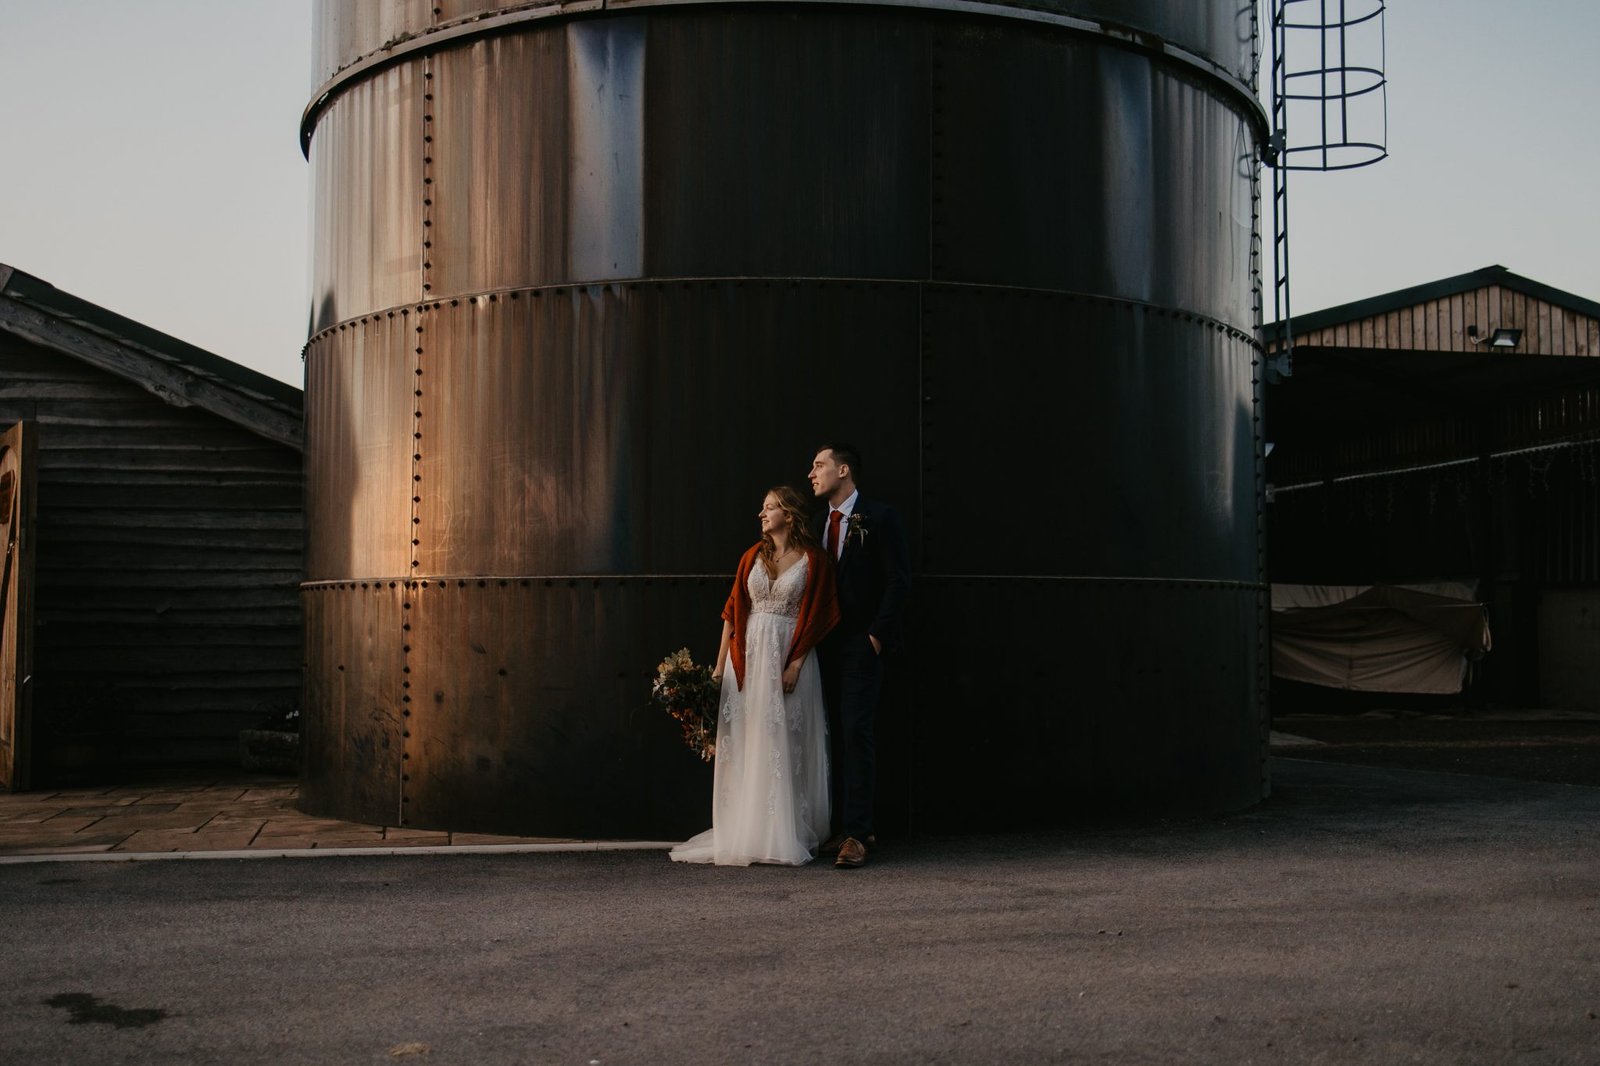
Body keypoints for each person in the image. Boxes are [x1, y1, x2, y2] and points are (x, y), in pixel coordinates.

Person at [670, 486, 840, 866]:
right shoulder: (751, 556)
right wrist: (718, 667)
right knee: (751, 740)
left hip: (789, 658)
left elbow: (818, 618)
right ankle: (748, 830)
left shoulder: (815, 560)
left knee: (785, 743)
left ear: (789, 514)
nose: (761, 515)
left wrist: (795, 663)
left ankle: (783, 832)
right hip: (747, 658)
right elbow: (733, 613)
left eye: (769, 508)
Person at [808, 443, 911, 869]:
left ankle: (857, 834)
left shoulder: (881, 517)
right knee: (831, 736)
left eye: (819, 465)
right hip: (824, 646)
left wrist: (875, 637)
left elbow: (899, 580)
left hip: (860, 644)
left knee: (857, 733)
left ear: (844, 470)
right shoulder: (818, 524)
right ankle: (847, 826)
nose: (811, 473)